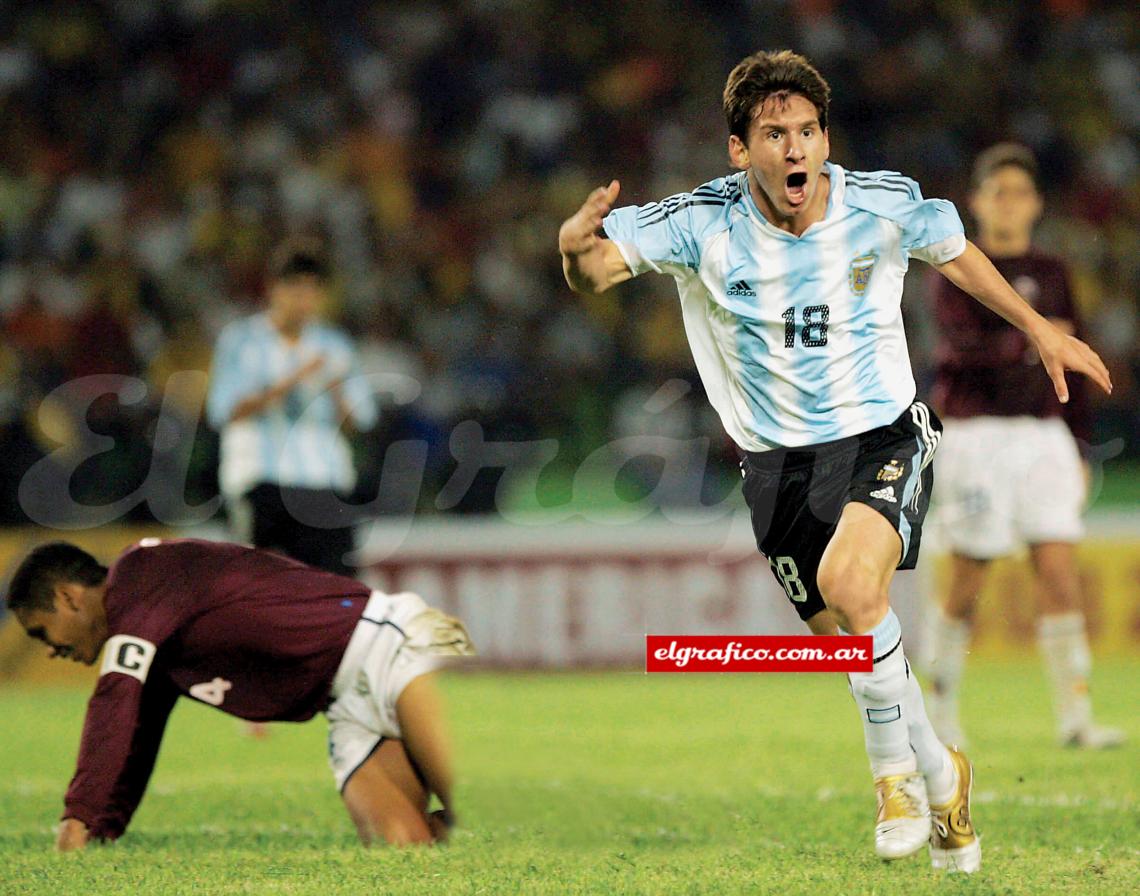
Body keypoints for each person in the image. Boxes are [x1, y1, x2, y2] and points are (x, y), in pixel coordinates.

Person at [557, 50, 1112, 873]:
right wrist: (572, 249)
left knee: (858, 591)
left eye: (809, 131)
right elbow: (599, 269)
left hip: (883, 436)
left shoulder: (879, 203)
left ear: (825, 139)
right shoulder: (700, 222)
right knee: (853, 649)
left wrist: (1041, 328)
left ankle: (893, 781)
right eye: (774, 134)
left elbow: (954, 249)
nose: (796, 150)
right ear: (740, 149)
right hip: (775, 467)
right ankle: (940, 766)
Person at [4, 538, 474, 850]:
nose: (50, 651)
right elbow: (136, 733)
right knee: (405, 852)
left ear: (68, 598)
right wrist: (101, 829)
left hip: (389, 644)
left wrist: (75, 818)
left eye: (42, 632)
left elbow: (113, 699)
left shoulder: (140, 574)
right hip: (346, 705)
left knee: (478, 806)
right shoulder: (151, 633)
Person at [922, 143, 1124, 750]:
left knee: (1059, 572)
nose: (1008, 204)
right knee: (967, 576)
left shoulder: (1055, 272)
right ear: (977, 202)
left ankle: (1075, 716)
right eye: (997, 192)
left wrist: (1080, 442)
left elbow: (1077, 358)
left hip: (1043, 434)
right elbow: (960, 351)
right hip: (976, 435)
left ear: (1035, 204)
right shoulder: (957, 267)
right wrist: (1033, 339)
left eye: (1019, 192)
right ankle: (935, 712)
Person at [207, 237, 378, 578]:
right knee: (259, 590)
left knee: (336, 592)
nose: (304, 299)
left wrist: (335, 391)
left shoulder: (334, 344)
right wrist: (292, 380)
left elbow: (361, 420)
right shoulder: (241, 340)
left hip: (324, 482)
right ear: (274, 289)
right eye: (295, 287)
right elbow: (224, 410)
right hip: (262, 482)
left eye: (313, 289)